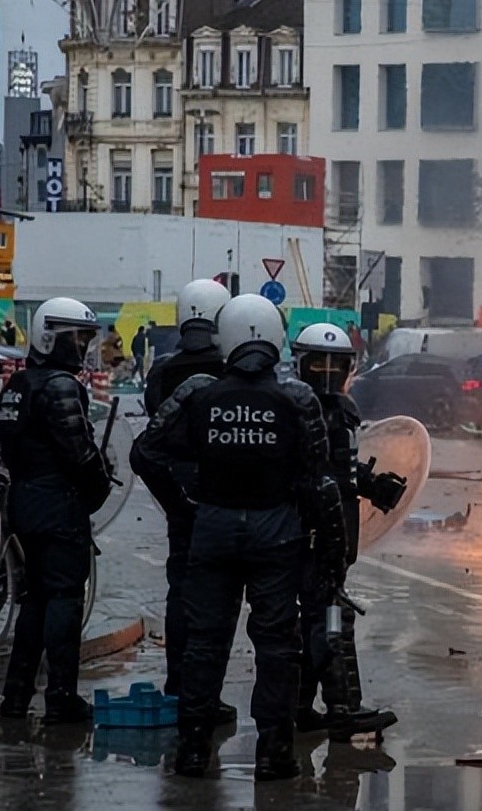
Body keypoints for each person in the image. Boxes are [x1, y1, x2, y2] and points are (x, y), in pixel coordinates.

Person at [133, 294, 348, 781]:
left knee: (205, 643)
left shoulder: (198, 392)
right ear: (275, 339)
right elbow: (320, 480)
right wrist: (331, 552)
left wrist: (184, 503)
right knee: (277, 645)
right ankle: (273, 753)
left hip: (213, 529)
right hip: (277, 534)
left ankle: (192, 750)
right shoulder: (297, 399)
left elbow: (146, 452)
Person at [0, 297, 113, 724]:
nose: (81, 346)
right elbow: (79, 451)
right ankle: (61, 695)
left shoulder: (17, 386)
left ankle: (16, 696)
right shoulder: (60, 386)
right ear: (51, 336)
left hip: (24, 500)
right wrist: (96, 489)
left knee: (35, 600)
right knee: (64, 597)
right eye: (76, 337)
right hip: (57, 502)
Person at [290, 323, 406, 741]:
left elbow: (335, 467)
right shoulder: (306, 409)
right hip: (318, 533)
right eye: (317, 362)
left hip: (325, 530)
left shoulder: (331, 411)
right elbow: (317, 476)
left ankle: (301, 707)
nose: (325, 371)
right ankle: (344, 708)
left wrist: (372, 485)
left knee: (314, 619)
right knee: (331, 617)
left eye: (334, 363)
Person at [132, 279, 234, 725]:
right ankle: (205, 694)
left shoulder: (164, 370)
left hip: (178, 493)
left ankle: (179, 685)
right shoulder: (230, 369)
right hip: (222, 494)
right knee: (220, 597)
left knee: (181, 591)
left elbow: (154, 425)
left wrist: (174, 496)